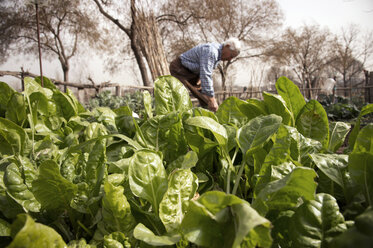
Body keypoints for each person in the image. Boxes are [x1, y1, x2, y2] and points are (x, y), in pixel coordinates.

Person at [169, 38, 241, 112]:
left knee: (205, 100)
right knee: (180, 96)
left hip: (193, 73)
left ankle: (208, 118)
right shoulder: (211, 51)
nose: (230, 59)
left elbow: (204, 71)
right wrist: (212, 98)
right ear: (227, 46)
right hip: (180, 69)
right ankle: (174, 117)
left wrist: (209, 97)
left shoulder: (217, 55)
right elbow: (206, 74)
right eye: (231, 55)